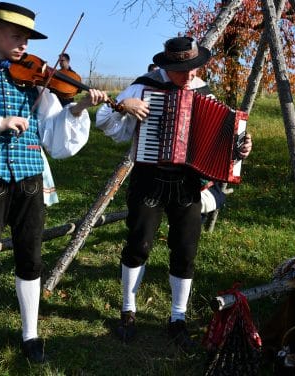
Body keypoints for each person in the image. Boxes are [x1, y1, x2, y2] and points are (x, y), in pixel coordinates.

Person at [0, 2, 108, 368]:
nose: (24, 44)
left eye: (27, 37)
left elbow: (54, 134)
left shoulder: (37, 79)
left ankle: (30, 334)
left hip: (29, 178)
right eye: (16, 35)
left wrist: (76, 109)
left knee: (31, 256)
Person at [95, 36, 252, 350]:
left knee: (185, 249)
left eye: (194, 68)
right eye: (184, 70)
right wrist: (123, 107)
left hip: (188, 182)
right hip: (148, 177)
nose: (191, 75)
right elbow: (106, 124)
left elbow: (224, 141)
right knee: (138, 242)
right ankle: (128, 309)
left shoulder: (203, 91)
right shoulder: (143, 87)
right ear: (168, 66)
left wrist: (242, 149)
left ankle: (177, 317)